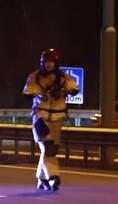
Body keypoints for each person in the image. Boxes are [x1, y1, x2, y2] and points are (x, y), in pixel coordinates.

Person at [23, 48, 79, 191]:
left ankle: (41, 180)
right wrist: (42, 92)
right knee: (48, 148)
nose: (48, 64)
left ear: (56, 62)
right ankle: (54, 177)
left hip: (57, 117)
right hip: (40, 117)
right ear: (42, 62)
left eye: (51, 61)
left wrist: (63, 90)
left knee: (50, 150)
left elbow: (74, 88)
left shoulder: (63, 77)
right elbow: (27, 92)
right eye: (46, 61)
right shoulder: (35, 77)